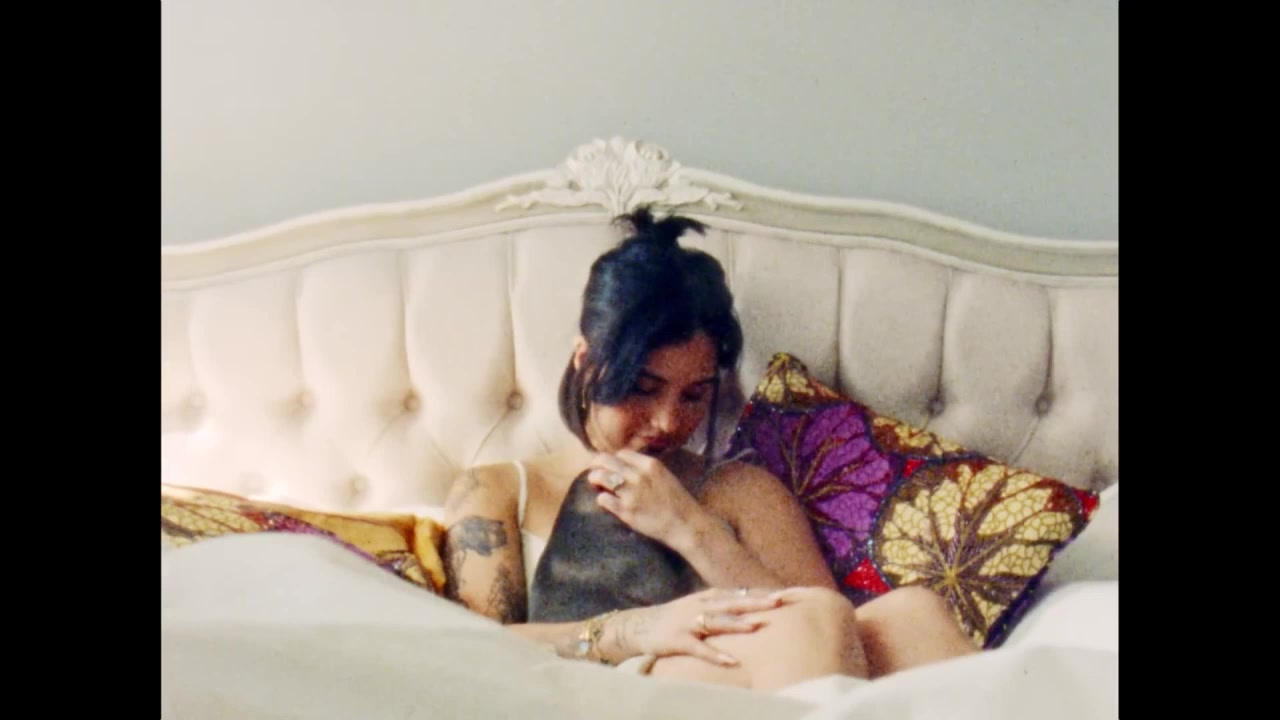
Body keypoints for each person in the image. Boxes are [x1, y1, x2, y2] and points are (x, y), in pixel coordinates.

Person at [441, 207, 978, 692]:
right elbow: (473, 651)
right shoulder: (498, 489)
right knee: (809, 623)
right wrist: (639, 629)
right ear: (585, 360)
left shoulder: (741, 490)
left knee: (914, 615)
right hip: (591, 689)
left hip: (752, 683)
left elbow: (831, 628)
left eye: (694, 395)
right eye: (643, 388)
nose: (667, 421)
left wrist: (690, 528)